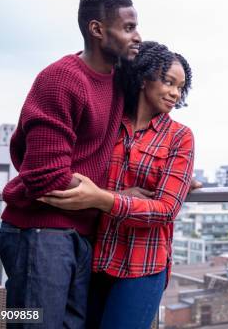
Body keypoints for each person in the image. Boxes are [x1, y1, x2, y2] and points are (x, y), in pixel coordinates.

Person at [0, 0, 142, 328]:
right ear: (97, 30)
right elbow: (45, 176)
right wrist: (114, 199)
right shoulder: (61, 80)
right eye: (128, 27)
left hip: (78, 234)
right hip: (39, 233)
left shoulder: (118, 80)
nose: (137, 36)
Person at [39, 41, 195, 329]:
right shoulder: (108, 124)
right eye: (168, 82)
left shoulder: (180, 137)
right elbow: (82, 173)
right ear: (144, 77)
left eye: (180, 87)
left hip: (143, 266)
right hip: (95, 260)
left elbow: (166, 209)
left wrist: (102, 199)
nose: (175, 93)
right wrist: (108, 195)